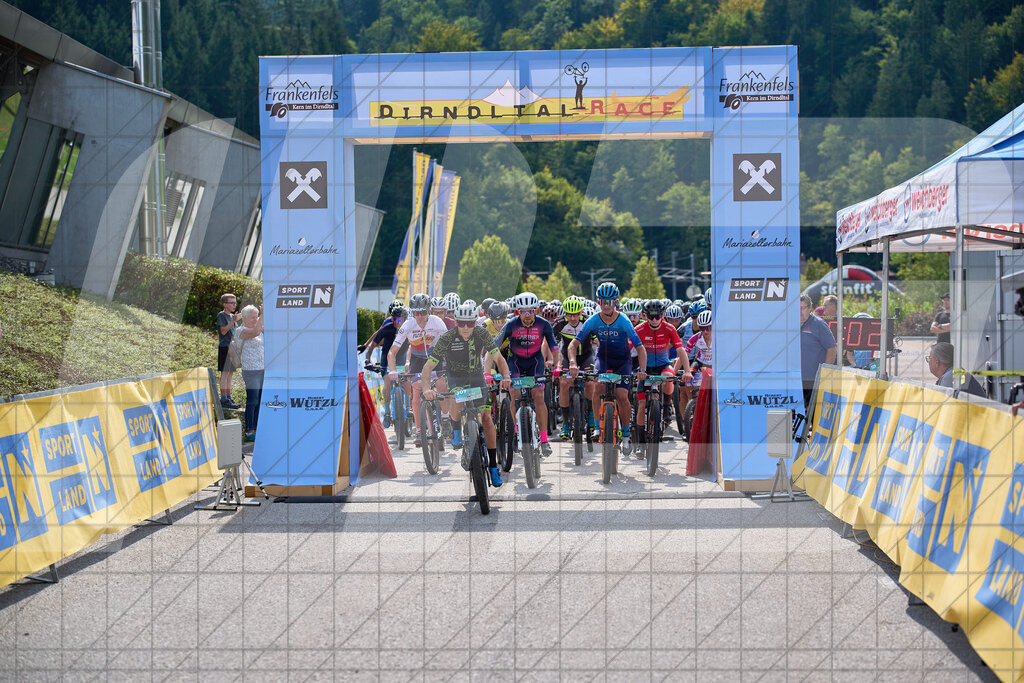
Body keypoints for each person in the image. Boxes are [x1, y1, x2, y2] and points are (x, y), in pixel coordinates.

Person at [420, 303, 512, 486]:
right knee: (456, 400)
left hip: (476, 377)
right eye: (461, 323)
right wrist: (425, 389)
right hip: (455, 378)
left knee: (486, 418)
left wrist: (507, 376)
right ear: (456, 322)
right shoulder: (447, 337)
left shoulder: (482, 334)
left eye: (469, 323)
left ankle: (493, 467)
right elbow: (428, 367)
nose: (465, 327)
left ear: (474, 323)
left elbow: (498, 358)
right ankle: (455, 428)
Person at [568, 282, 647, 454]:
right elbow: (573, 345)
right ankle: (597, 427)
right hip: (603, 360)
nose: (606, 306)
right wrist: (573, 363)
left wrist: (642, 369)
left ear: (616, 302)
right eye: (603, 302)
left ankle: (626, 435)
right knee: (598, 388)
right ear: (598, 302)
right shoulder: (593, 320)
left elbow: (640, 348)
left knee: (622, 395)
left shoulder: (624, 321)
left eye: (610, 302)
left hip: (622, 361)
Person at [494, 291, 561, 457]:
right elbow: (493, 346)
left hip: (535, 363)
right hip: (514, 363)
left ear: (536, 310)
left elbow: (554, 347)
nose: (527, 315)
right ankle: (517, 433)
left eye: (530, 310)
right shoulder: (511, 324)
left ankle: (544, 440)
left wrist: (556, 366)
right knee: (514, 394)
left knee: (538, 395)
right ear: (518, 311)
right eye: (523, 311)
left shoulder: (544, 324)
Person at [387, 293, 450, 446]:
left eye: (423, 312)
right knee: (416, 390)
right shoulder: (408, 325)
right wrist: (392, 370)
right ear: (412, 313)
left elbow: (448, 346)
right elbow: (392, 352)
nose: (420, 316)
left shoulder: (438, 323)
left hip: (436, 357)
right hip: (417, 359)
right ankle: (419, 430)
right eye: (416, 312)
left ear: (429, 310)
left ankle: (446, 417)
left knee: (442, 385)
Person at [635, 299, 691, 436]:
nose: (654, 320)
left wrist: (688, 371)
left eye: (657, 316)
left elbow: (681, 350)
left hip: (662, 365)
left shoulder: (669, 328)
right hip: (644, 367)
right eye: (651, 316)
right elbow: (626, 350)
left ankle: (666, 406)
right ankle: (640, 437)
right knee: (641, 405)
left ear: (663, 315)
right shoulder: (639, 329)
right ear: (645, 316)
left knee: (669, 377)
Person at [554, 296, 598, 439]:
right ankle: (566, 423)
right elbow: (552, 346)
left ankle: (591, 414)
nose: (573, 318)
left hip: (586, 356)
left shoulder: (588, 322)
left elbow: (599, 342)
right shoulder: (560, 325)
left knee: (590, 381)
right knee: (564, 383)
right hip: (567, 357)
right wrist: (555, 363)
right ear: (565, 314)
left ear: (581, 312)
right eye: (569, 314)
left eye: (576, 314)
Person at [361, 300, 406, 427]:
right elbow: (372, 346)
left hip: (402, 356)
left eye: (402, 321)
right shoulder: (387, 326)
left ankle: (407, 406)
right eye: (396, 320)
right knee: (387, 382)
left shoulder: (409, 327)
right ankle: (387, 413)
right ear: (391, 319)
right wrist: (367, 360)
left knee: (407, 380)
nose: (399, 324)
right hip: (387, 356)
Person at [800, 294, 837, 409]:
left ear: (810, 307)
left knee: (813, 415)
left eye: (803, 308)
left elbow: (832, 348)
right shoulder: (789, 324)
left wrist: (824, 373)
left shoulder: (818, 324)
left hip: (813, 380)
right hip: (795, 379)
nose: (799, 312)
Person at [236, 304, 264, 441]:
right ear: (245, 318)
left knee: (260, 400)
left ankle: (258, 427)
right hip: (251, 371)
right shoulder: (240, 330)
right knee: (252, 400)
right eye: (253, 317)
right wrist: (263, 314)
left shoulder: (258, 329)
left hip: (262, 370)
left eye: (257, 316)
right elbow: (256, 332)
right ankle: (249, 430)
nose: (256, 319)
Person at [216, 293, 242, 409]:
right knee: (225, 373)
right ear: (225, 304)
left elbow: (235, 332)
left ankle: (229, 396)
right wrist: (233, 321)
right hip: (224, 347)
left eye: (235, 303)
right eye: (232, 303)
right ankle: (223, 398)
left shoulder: (233, 317)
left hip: (232, 348)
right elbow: (223, 331)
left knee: (230, 374)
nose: (234, 305)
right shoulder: (222, 315)